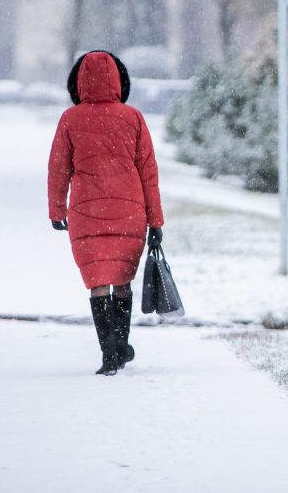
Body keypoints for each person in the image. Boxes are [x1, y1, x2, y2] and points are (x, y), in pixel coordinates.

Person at [47, 50, 164, 376]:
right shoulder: (133, 118)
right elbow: (148, 172)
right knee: (123, 282)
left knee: (98, 282)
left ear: (79, 82)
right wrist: (155, 221)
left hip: (86, 212)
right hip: (130, 211)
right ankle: (120, 345)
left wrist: (56, 210)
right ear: (118, 80)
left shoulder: (70, 120)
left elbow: (58, 169)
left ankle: (108, 352)